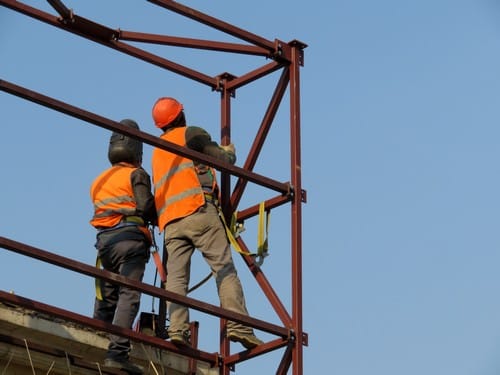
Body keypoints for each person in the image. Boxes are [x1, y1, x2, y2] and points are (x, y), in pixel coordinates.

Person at [150, 97, 263, 349]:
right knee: (223, 269)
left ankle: (178, 329)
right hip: (198, 210)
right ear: (180, 115)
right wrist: (229, 152)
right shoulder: (190, 134)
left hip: (170, 223)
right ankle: (239, 325)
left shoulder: (156, 150)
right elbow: (222, 160)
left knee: (176, 280)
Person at [90, 119, 157, 374]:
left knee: (107, 296)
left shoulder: (99, 180)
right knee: (129, 294)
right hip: (130, 239)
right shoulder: (135, 174)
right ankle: (117, 353)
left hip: (105, 244)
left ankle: (94, 340)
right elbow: (144, 207)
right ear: (137, 149)